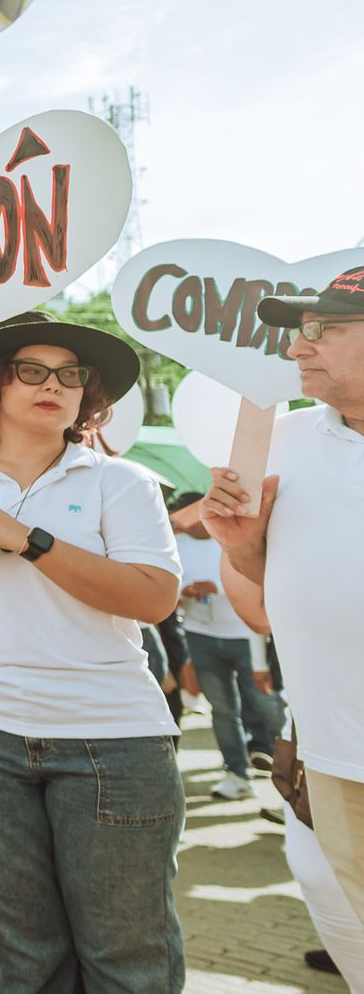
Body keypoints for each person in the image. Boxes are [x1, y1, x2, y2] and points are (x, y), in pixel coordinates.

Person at [0, 311, 185, 991]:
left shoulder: (122, 482)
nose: (51, 385)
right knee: (25, 954)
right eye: (32, 370)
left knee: (126, 954)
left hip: (112, 738)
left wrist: (26, 536)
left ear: (88, 393)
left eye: (69, 374)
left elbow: (153, 597)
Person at [206, 267, 364, 927]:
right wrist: (242, 545)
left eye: (322, 330)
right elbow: (261, 610)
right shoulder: (283, 441)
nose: (299, 347)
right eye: (299, 331)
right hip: (334, 766)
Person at [171, 490, 281, 800]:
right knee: (222, 710)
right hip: (200, 633)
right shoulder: (177, 545)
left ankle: (291, 764)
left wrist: (216, 587)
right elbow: (167, 581)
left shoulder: (232, 536)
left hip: (243, 633)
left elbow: (256, 578)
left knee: (264, 702)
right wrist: (183, 591)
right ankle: (236, 774)